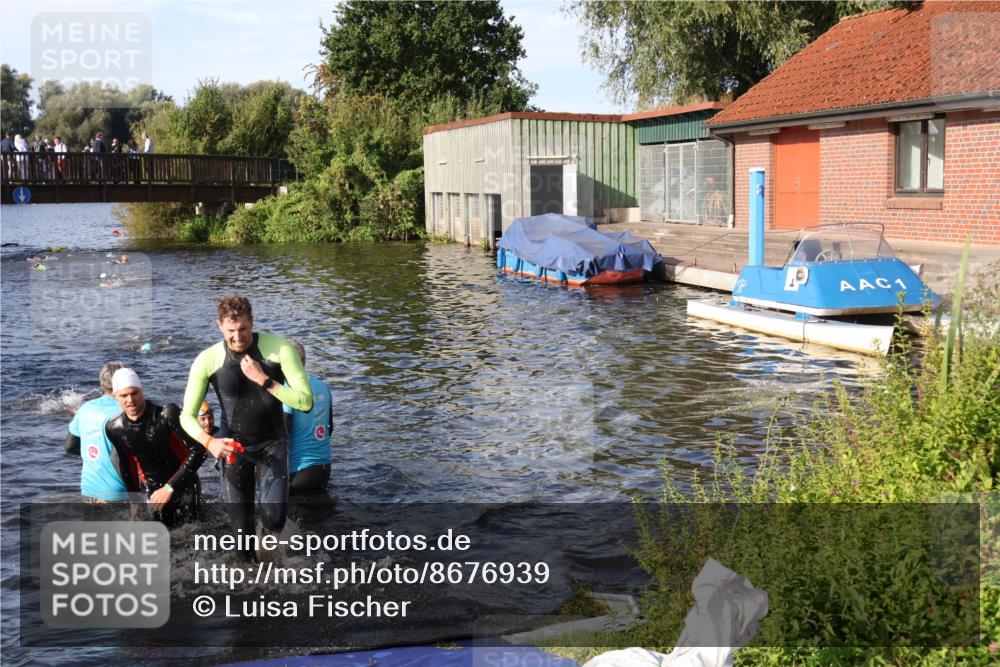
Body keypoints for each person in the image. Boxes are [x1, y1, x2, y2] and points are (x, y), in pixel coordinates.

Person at [181, 296, 312, 556]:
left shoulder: (280, 350)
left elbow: (305, 401)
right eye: (231, 331)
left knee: (273, 519)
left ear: (252, 322)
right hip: (233, 447)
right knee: (241, 542)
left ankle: (271, 545)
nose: (238, 337)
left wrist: (265, 380)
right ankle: (251, 583)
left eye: (243, 328)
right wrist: (210, 442)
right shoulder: (207, 360)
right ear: (219, 326)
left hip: (272, 443)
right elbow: (186, 415)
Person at [104, 368, 207, 527]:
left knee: (194, 537)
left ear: (142, 391)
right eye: (124, 395)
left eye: (135, 393)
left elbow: (199, 452)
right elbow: (127, 465)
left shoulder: (167, 414)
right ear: (115, 396)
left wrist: (169, 488)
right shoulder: (114, 428)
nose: (130, 399)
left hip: (184, 485)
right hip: (154, 491)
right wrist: (135, 500)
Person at [65, 362, 133, 502]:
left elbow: (69, 446)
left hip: (89, 492)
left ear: (102, 385)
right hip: (121, 494)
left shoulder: (85, 408)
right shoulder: (129, 410)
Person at [284, 341, 333, 495]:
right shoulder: (323, 387)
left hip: (298, 472)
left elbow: (283, 433)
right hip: (324, 468)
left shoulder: (287, 389)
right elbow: (330, 428)